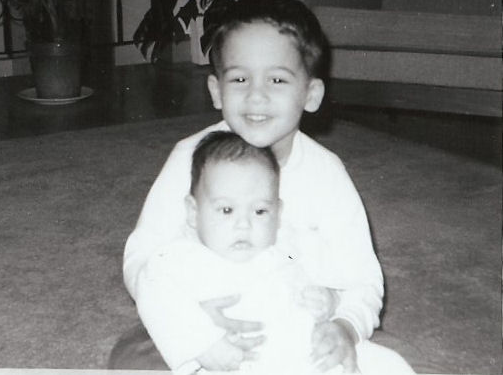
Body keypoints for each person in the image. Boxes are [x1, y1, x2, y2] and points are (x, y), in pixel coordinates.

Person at [115, 0, 384, 371]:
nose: (256, 95)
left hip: (293, 327)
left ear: (311, 95)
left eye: (277, 79)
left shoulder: (327, 175)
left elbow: (363, 281)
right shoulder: (189, 158)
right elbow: (142, 256)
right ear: (216, 90)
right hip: (199, 320)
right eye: (240, 78)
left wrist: (345, 326)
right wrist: (193, 325)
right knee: (132, 357)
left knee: (383, 358)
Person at [135, 131, 415, 375]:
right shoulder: (180, 258)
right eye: (226, 210)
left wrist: (331, 298)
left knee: (387, 363)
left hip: (306, 354)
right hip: (237, 362)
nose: (243, 224)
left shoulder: (287, 247)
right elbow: (154, 296)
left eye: (260, 211)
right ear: (193, 212)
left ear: (278, 212)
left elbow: (339, 274)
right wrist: (202, 342)